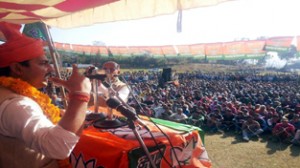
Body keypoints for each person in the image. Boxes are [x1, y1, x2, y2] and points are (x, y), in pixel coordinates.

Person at [0, 22, 92, 168]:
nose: (49, 68)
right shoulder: (16, 105)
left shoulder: (8, 94)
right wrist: (80, 95)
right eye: (43, 63)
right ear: (17, 68)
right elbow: (58, 148)